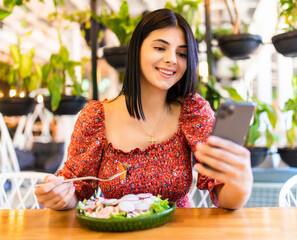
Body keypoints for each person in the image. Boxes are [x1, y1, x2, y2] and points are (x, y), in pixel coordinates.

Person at [35, 8, 253, 210]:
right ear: (137, 50)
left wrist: (241, 183)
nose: (171, 60)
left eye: (182, 54)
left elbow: (224, 195)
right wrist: (60, 195)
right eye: (160, 48)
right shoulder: (96, 117)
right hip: (118, 231)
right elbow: (76, 190)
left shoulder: (193, 112)